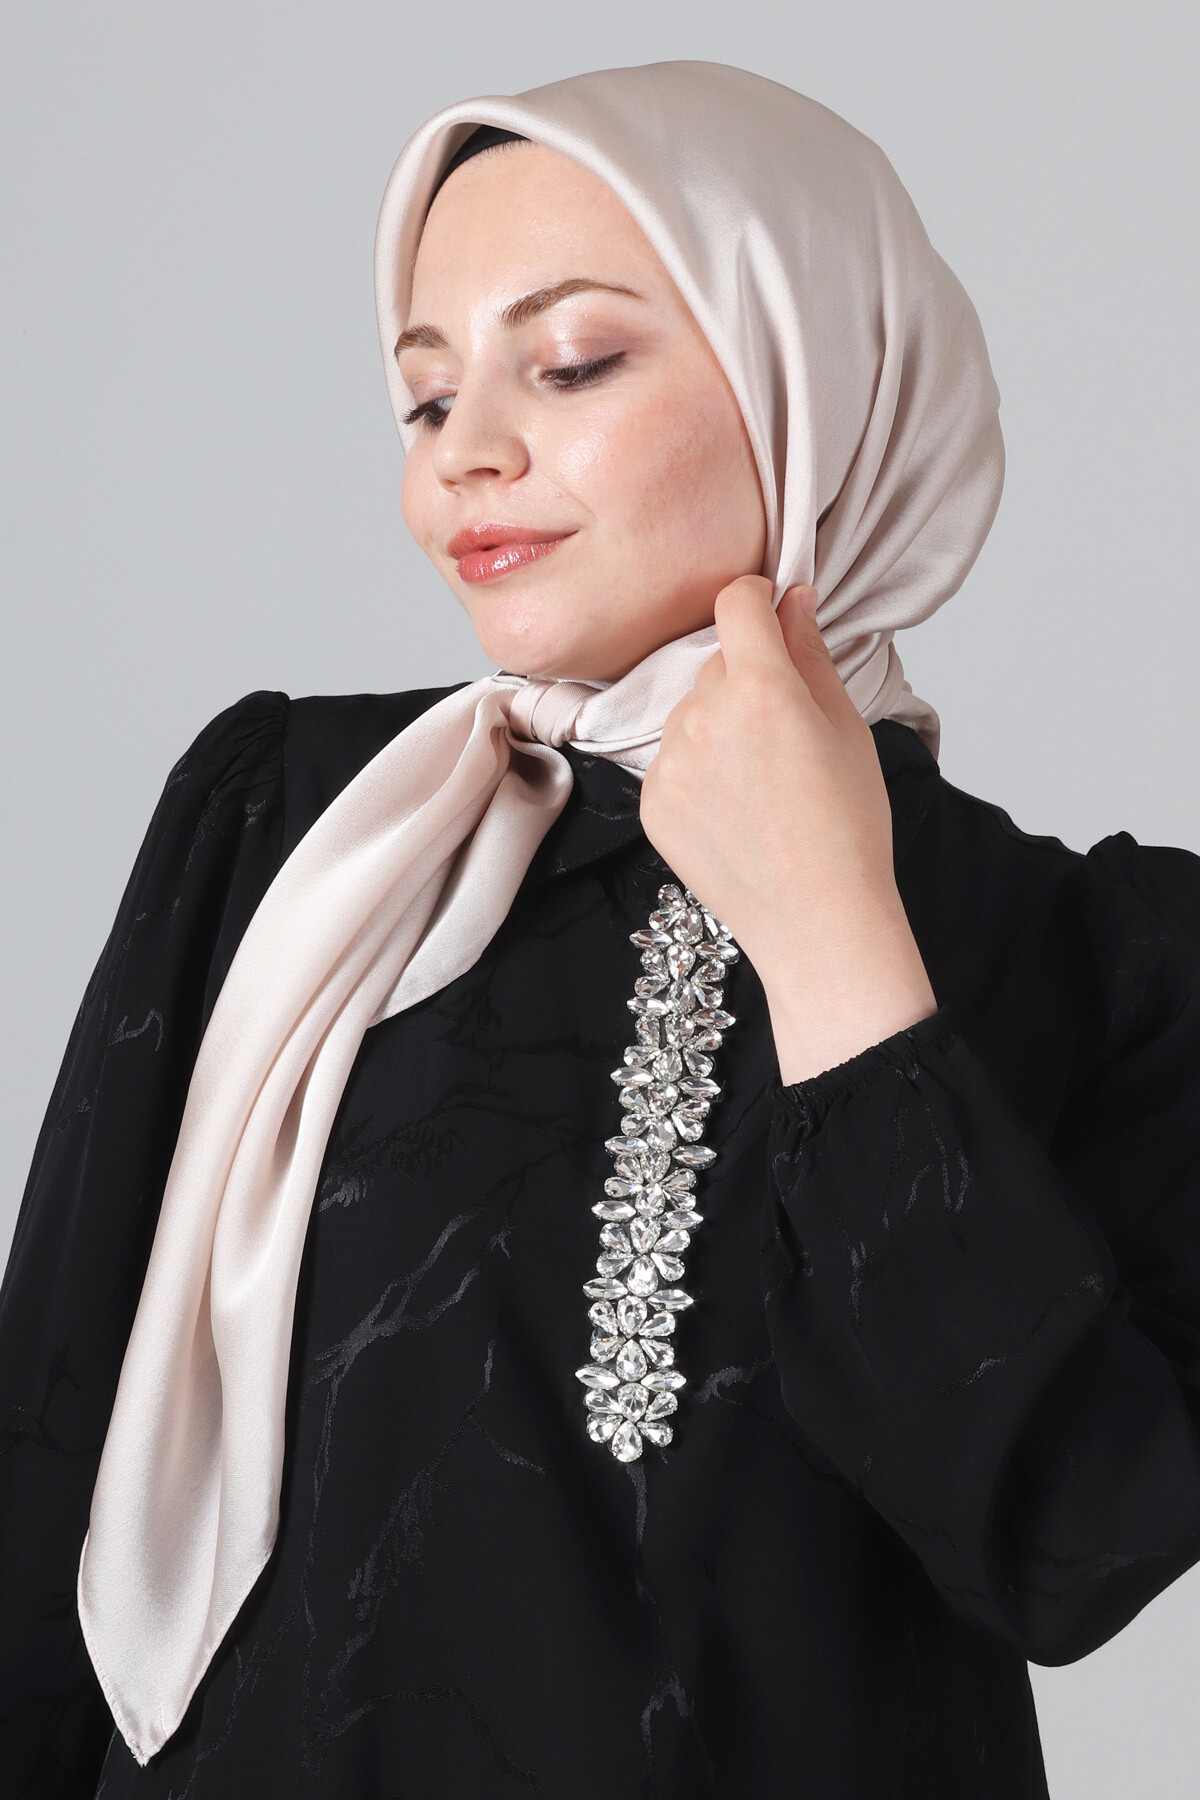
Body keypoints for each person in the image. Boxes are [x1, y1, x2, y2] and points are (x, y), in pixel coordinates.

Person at [2, 58, 1198, 1800]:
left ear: (818, 377)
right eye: (425, 395)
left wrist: (834, 941)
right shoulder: (294, 825)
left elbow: (1071, 1545)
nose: (466, 450)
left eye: (569, 362)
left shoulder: (1090, 956)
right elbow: (46, 1457)